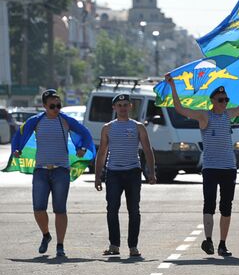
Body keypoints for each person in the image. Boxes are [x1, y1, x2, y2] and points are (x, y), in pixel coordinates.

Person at [165, 65, 239, 256]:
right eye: (221, 100)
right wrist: (173, 86)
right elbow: (180, 109)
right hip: (211, 167)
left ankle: (222, 243)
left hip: (228, 168)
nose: (224, 103)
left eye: (226, 100)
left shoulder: (229, 115)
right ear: (213, 101)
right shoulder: (204, 116)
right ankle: (208, 240)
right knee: (209, 204)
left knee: (226, 205)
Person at [11, 89, 94, 257]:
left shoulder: (65, 120)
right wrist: (16, 149)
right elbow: (19, 135)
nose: (56, 109)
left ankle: (60, 246)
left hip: (61, 171)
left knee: (60, 210)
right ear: (44, 106)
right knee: (38, 209)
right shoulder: (36, 121)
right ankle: (46, 235)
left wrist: (82, 148)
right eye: (52, 106)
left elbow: (85, 133)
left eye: (58, 105)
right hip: (41, 171)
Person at [94, 94, 157, 257]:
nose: (122, 107)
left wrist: (151, 172)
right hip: (113, 172)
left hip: (133, 172)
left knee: (134, 210)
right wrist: (97, 175)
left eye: (125, 104)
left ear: (130, 107)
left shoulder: (138, 127)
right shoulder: (107, 128)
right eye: (119, 105)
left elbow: (148, 150)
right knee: (112, 209)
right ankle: (114, 245)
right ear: (114, 108)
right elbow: (102, 153)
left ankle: (133, 247)